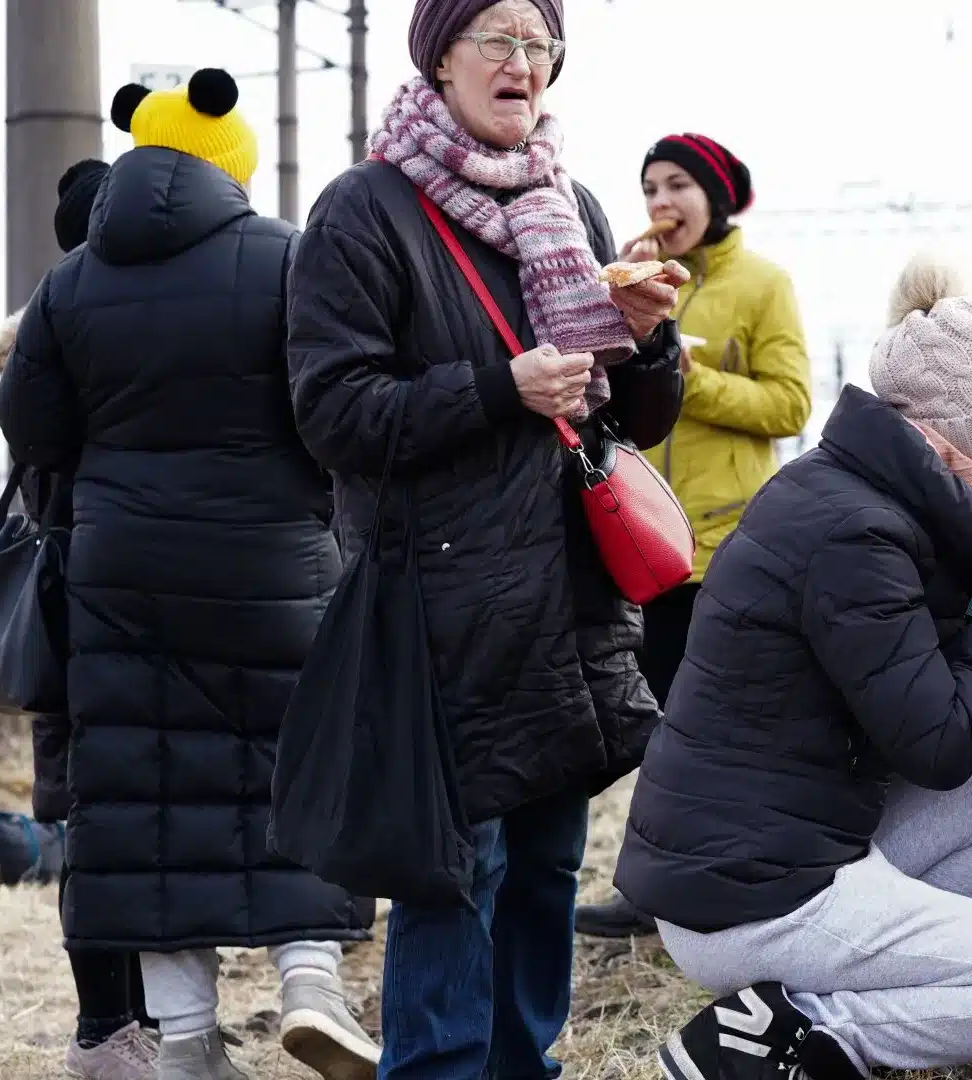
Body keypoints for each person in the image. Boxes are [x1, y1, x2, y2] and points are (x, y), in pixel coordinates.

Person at [283, 2, 686, 1076]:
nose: (524, 64)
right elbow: (332, 414)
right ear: (441, 56)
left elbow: (630, 421)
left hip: (568, 598)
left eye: (540, 45)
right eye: (498, 39)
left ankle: (527, 1065)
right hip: (442, 605)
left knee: (549, 860)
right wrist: (496, 388)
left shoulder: (574, 204)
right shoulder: (364, 212)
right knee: (456, 866)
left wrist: (646, 343)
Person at [615, 257, 972, 1079]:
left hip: (774, 850)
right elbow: (943, 743)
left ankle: (883, 991)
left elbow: (932, 710)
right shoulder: (857, 536)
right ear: (969, 446)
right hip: (755, 896)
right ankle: (795, 1035)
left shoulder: (856, 499)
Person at [0, 72, 378, 1080]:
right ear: (232, 162)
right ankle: (309, 980)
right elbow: (333, 404)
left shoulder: (71, 281)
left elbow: (32, 430)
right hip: (277, 566)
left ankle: (191, 1041)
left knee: (145, 800)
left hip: (121, 575)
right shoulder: (288, 260)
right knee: (293, 769)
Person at [576, 131, 810, 942]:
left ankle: (711, 888)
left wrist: (681, 368)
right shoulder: (636, 277)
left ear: (715, 195)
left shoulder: (763, 283)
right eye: (649, 188)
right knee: (658, 718)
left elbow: (790, 404)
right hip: (641, 538)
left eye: (677, 185)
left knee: (710, 721)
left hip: (727, 544)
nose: (660, 204)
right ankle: (660, 887)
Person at [0, 157, 161, 1080]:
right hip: (91, 622)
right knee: (109, 826)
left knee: (111, 826)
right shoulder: (60, 345)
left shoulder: (53, 342)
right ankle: (110, 1028)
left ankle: (131, 1028)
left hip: (86, 630)